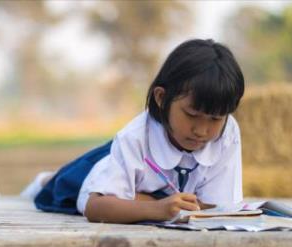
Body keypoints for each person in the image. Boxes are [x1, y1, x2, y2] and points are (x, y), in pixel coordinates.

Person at [21, 39, 245, 224]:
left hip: (150, 186)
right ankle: (45, 179)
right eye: (192, 115)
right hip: (105, 169)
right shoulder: (134, 137)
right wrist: (157, 208)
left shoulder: (228, 133)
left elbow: (217, 206)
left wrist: (143, 201)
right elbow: (96, 206)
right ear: (161, 98)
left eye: (215, 119)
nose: (201, 130)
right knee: (63, 185)